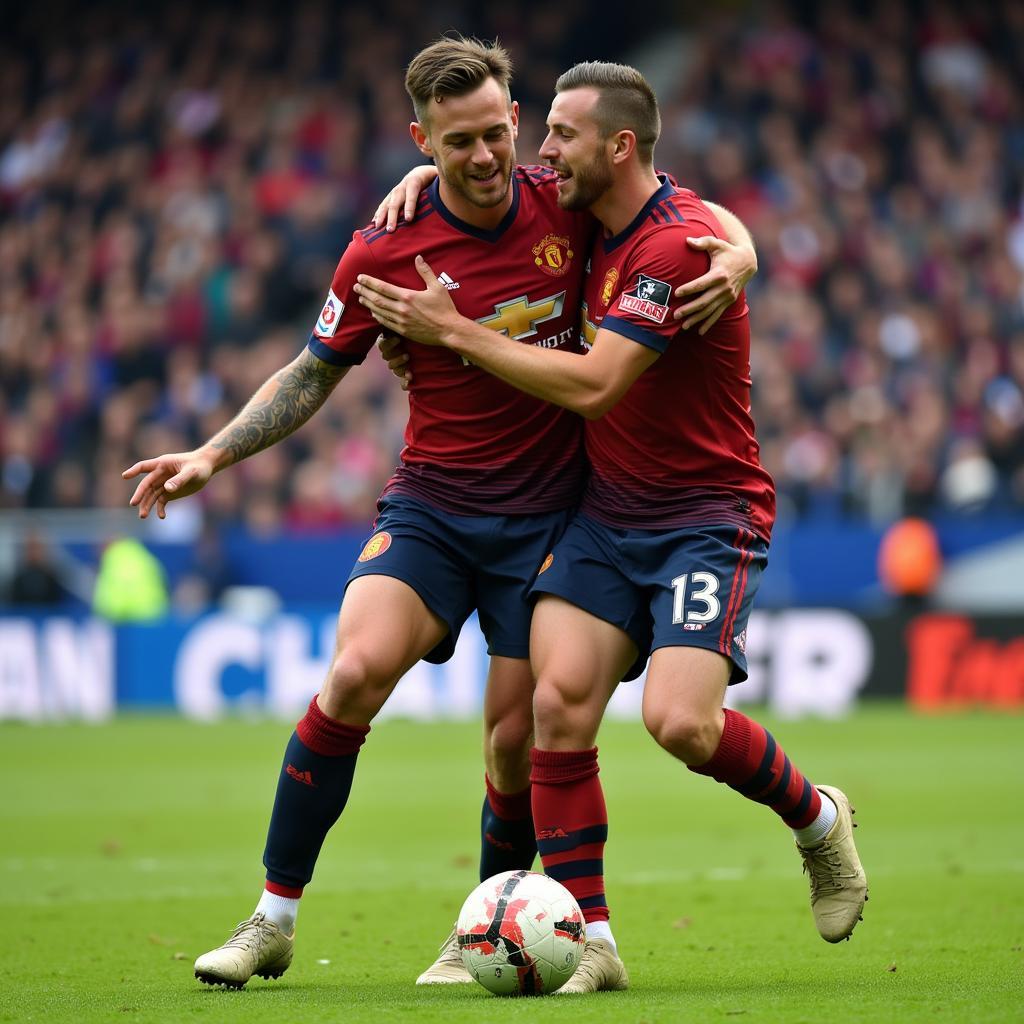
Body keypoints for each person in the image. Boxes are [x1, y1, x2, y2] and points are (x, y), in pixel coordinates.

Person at [122, 38, 758, 990]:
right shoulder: (386, 242)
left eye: (499, 133)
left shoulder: (566, 198)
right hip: (434, 505)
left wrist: (744, 251)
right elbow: (313, 369)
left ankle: (487, 934)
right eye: (457, 142)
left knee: (513, 742)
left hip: (549, 519)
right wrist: (214, 451)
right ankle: (272, 919)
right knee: (352, 674)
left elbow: (670, 201)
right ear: (422, 139)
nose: (487, 157)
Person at [354, 60, 868, 994]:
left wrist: (457, 331)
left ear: (619, 147)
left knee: (681, 724)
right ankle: (593, 939)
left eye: (561, 134)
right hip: (601, 514)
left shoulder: (675, 251)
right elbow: (485, 181)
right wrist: (423, 175)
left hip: (704, 518)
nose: (540, 152)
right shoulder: (587, 210)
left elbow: (595, 387)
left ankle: (819, 820)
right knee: (553, 709)